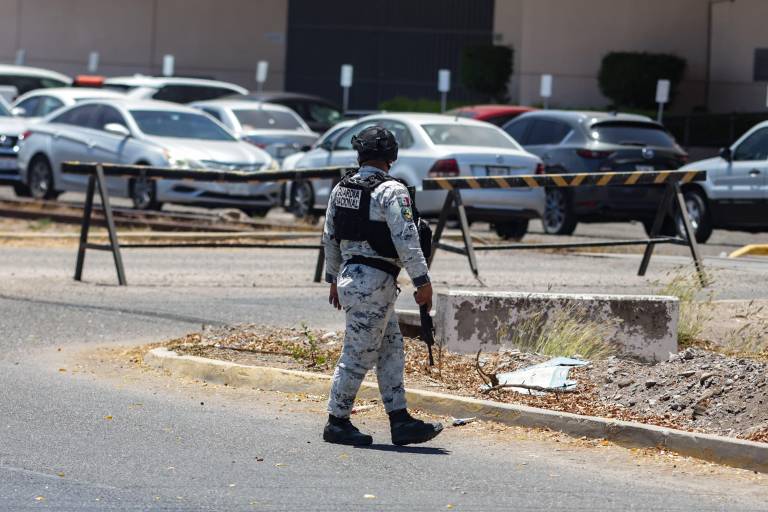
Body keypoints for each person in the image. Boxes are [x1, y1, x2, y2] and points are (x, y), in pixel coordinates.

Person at [321, 126, 443, 446]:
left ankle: (400, 419)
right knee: (358, 354)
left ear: (359, 154)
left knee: (390, 349)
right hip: (375, 282)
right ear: (392, 156)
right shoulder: (392, 191)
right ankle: (337, 420)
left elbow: (329, 236)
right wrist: (423, 282)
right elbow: (407, 239)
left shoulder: (341, 189)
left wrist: (333, 279)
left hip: (353, 278)